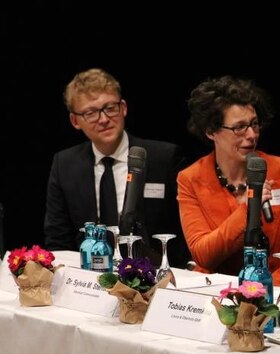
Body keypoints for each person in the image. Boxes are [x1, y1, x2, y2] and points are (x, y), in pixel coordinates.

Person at [178, 76, 280, 285]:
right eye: (239, 128)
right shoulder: (190, 179)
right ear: (211, 131)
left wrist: (267, 288)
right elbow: (204, 254)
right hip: (217, 294)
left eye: (254, 124)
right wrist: (247, 209)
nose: (252, 135)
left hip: (278, 291)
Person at [44, 68, 188, 267]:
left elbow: (183, 234)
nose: (103, 119)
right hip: (89, 280)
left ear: (123, 108)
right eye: (91, 113)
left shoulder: (164, 158)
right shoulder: (65, 164)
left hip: (156, 277)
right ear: (75, 121)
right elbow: (57, 240)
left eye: (110, 107)